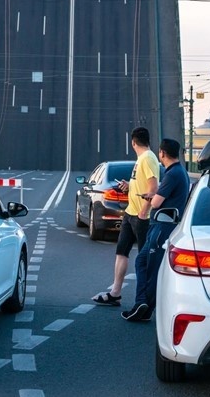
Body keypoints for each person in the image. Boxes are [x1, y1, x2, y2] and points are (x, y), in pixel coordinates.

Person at [122, 138, 190, 322]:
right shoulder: (180, 172)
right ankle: (142, 304)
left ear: (162, 153)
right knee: (143, 262)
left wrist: (151, 197)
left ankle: (144, 306)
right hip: (165, 225)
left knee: (149, 267)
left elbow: (157, 202)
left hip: (162, 226)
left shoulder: (172, 174)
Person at [92, 127, 159, 306]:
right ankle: (116, 293)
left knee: (145, 259)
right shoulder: (141, 159)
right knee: (121, 251)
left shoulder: (148, 158)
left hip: (141, 216)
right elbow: (143, 184)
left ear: (133, 142)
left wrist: (144, 211)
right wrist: (129, 185)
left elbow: (153, 188)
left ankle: (146, 299)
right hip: (130, 213)